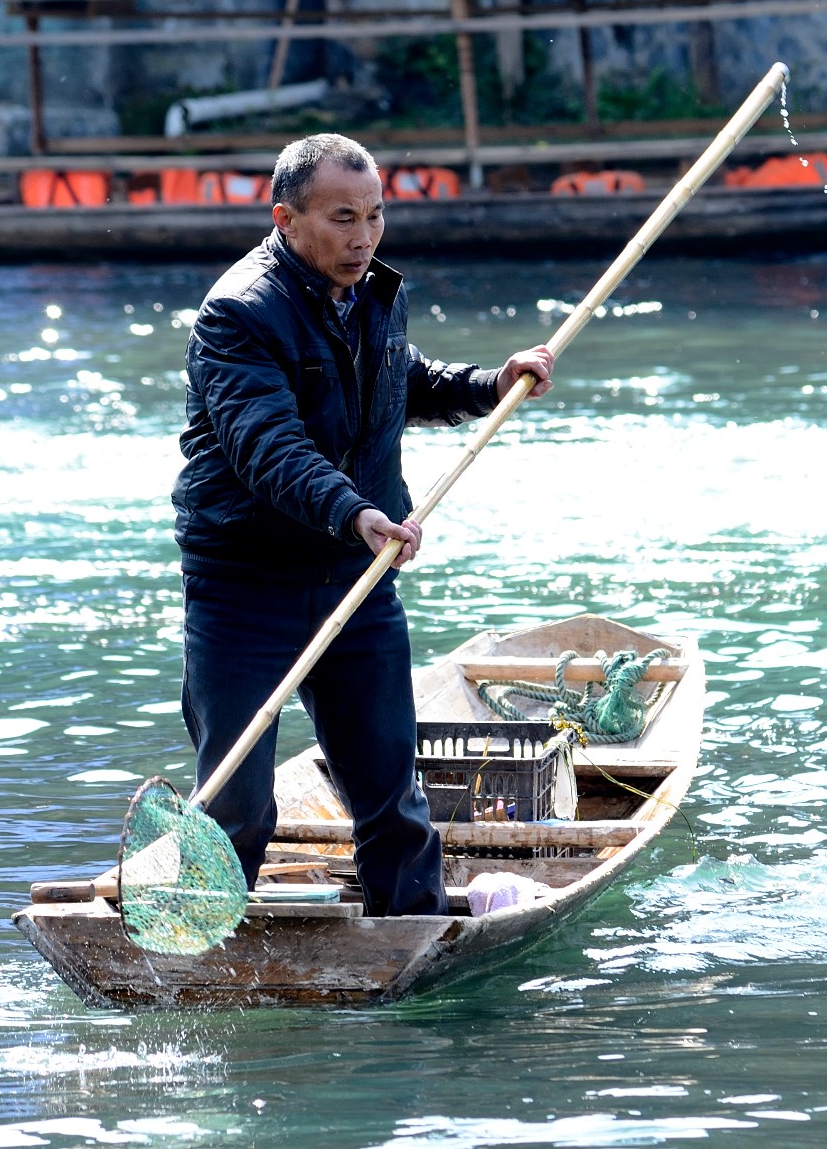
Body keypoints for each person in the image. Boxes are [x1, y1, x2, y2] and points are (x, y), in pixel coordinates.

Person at [172, 133, 556, 917]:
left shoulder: (374, 290)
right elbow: (266, 446)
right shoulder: (238, 315)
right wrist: (356, 512)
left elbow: (397, 379)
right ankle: (205, 945)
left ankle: (411, 930)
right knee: (237, 804)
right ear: (286, 219)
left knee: (392, 793)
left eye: (376, 216)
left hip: (358, 573)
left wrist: (490, 383)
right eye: (342, 219)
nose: (364, 238)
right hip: (246, 586)